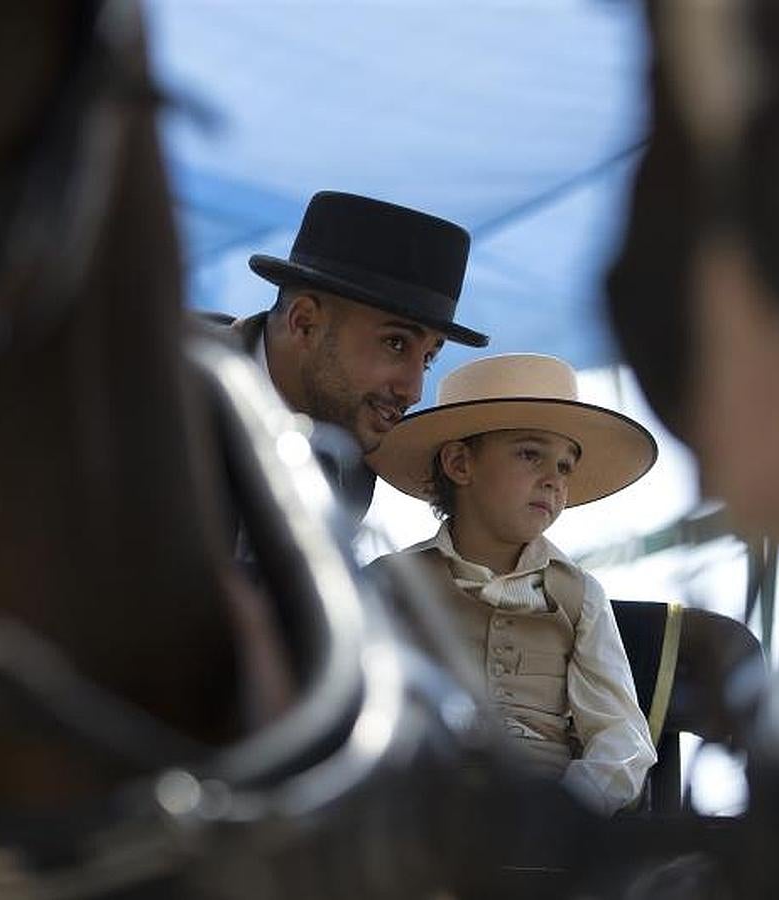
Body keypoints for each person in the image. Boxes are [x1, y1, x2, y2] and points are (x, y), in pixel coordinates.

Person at [366, 353, 659, 816]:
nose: (553, 480)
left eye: (565, 466)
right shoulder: (392, 584)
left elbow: (620, 738)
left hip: (541, 829)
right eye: (530, 454)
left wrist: (568, 810)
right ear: (460, 464)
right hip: (420, 816)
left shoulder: (580, 596)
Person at [206, 190, 489, 521]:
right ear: (305, 322)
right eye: (395, 343)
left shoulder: (349, 470)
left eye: (428, 359)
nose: (413, 392)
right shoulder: (158, 383)